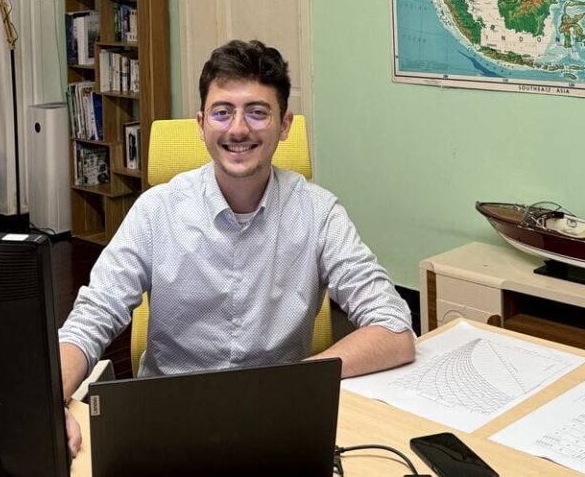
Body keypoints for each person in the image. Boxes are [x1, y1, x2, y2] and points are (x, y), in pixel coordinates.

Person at [59, 39, 415, 454]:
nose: (238, 129)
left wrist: (297, 382)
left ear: (285, 125)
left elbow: (394, 329)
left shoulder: (318, 213)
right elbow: (92, 317)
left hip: (280, 419)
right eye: (222, 112)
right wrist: (48, 401)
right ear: (201, 124)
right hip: (169, 422)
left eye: (258, 112)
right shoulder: (157, 211)